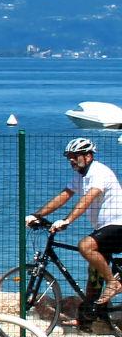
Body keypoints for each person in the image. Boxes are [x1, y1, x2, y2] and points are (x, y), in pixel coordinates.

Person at [26, 137, 122, 322]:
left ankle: (113, 283)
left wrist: (67, 220)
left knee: (85, 246)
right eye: (69, 156)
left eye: (74, 156)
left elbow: (87, 200)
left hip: (119, 225)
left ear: (88, 156)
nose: (71, 159)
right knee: (94, 272)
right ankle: (88, 316)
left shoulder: (99, 172)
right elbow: (64, 195)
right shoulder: (80, 175)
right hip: (106, 227)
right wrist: (37, 215)